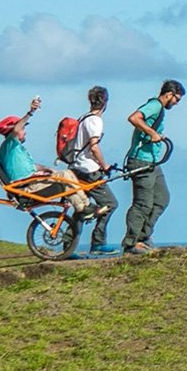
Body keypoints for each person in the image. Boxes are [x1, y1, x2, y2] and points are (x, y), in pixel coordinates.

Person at [122, 79, 184, 253]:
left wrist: (156, 135)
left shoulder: (159, 110)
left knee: (162, 199)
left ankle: (143, 237)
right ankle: (130, 243)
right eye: (177, 99)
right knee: (142, 204)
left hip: (153, 162)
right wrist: (152, 133)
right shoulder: (155, 105)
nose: (177, 103)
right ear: (170, 94)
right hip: (141, 160)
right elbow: (134, 118)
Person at [62, 85, 119, 254]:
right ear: (105, 102)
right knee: (110, 203)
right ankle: (98, 243)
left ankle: (67, 246)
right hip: (89, 170)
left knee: (82, 207)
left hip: (76, 167)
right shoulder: (95, 120)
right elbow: (94, 147)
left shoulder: (82, 118)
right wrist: (105, 165)